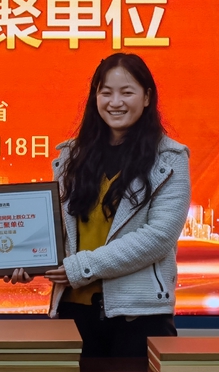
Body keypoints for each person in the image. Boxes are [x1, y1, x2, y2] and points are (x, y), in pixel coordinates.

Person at [44, 53, 191, 358]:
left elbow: (159, 237)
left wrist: (82, 268)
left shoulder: (170, 159)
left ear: (147, 97)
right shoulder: (71, 157)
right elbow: (55, 230)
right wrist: (23, 260)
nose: (115, 102)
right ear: (95, 97)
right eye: (106, 92)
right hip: (73, 310)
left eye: (127, 92)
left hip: (139, 317)